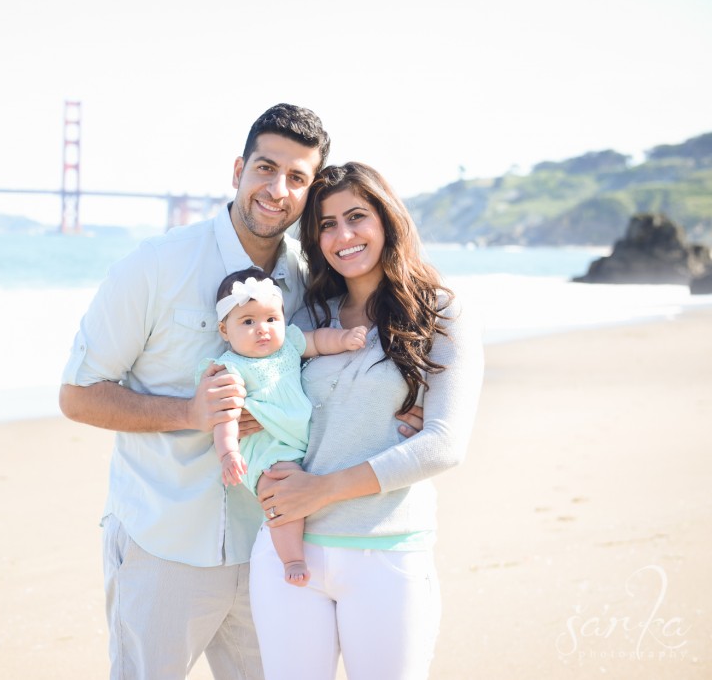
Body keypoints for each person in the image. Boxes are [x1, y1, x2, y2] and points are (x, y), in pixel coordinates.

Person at [58, 105, 422, 680]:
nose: (277, 190)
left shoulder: (314, 275)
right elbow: (78, 396)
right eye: (265, 168)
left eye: (298, 178)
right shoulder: (154, 266)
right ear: (238, 169)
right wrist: (190, 412)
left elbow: (358, 349)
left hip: (275, 550)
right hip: (163, 543)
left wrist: (408, 403)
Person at [248, 162, 484, 680]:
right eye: (326, 225)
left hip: (387, 552)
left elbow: (445, 443)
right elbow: (259, 398)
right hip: (287, 550)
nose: (343, 235)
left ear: (387, 219)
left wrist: (322, 490)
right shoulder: (308, 318)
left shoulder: (439, 313)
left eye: (357, 217)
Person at [204, 268, 366, 587]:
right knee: (281, 494)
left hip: (303, 438)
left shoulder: (288, 345)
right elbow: (224, 418)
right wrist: (228, 454)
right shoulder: (232, 369)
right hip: (271, 448)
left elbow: (318, 340)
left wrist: (345, 339)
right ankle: (292, 558)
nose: (262, 329)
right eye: (248, 322)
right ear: (225, 330)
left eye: (270, 319)